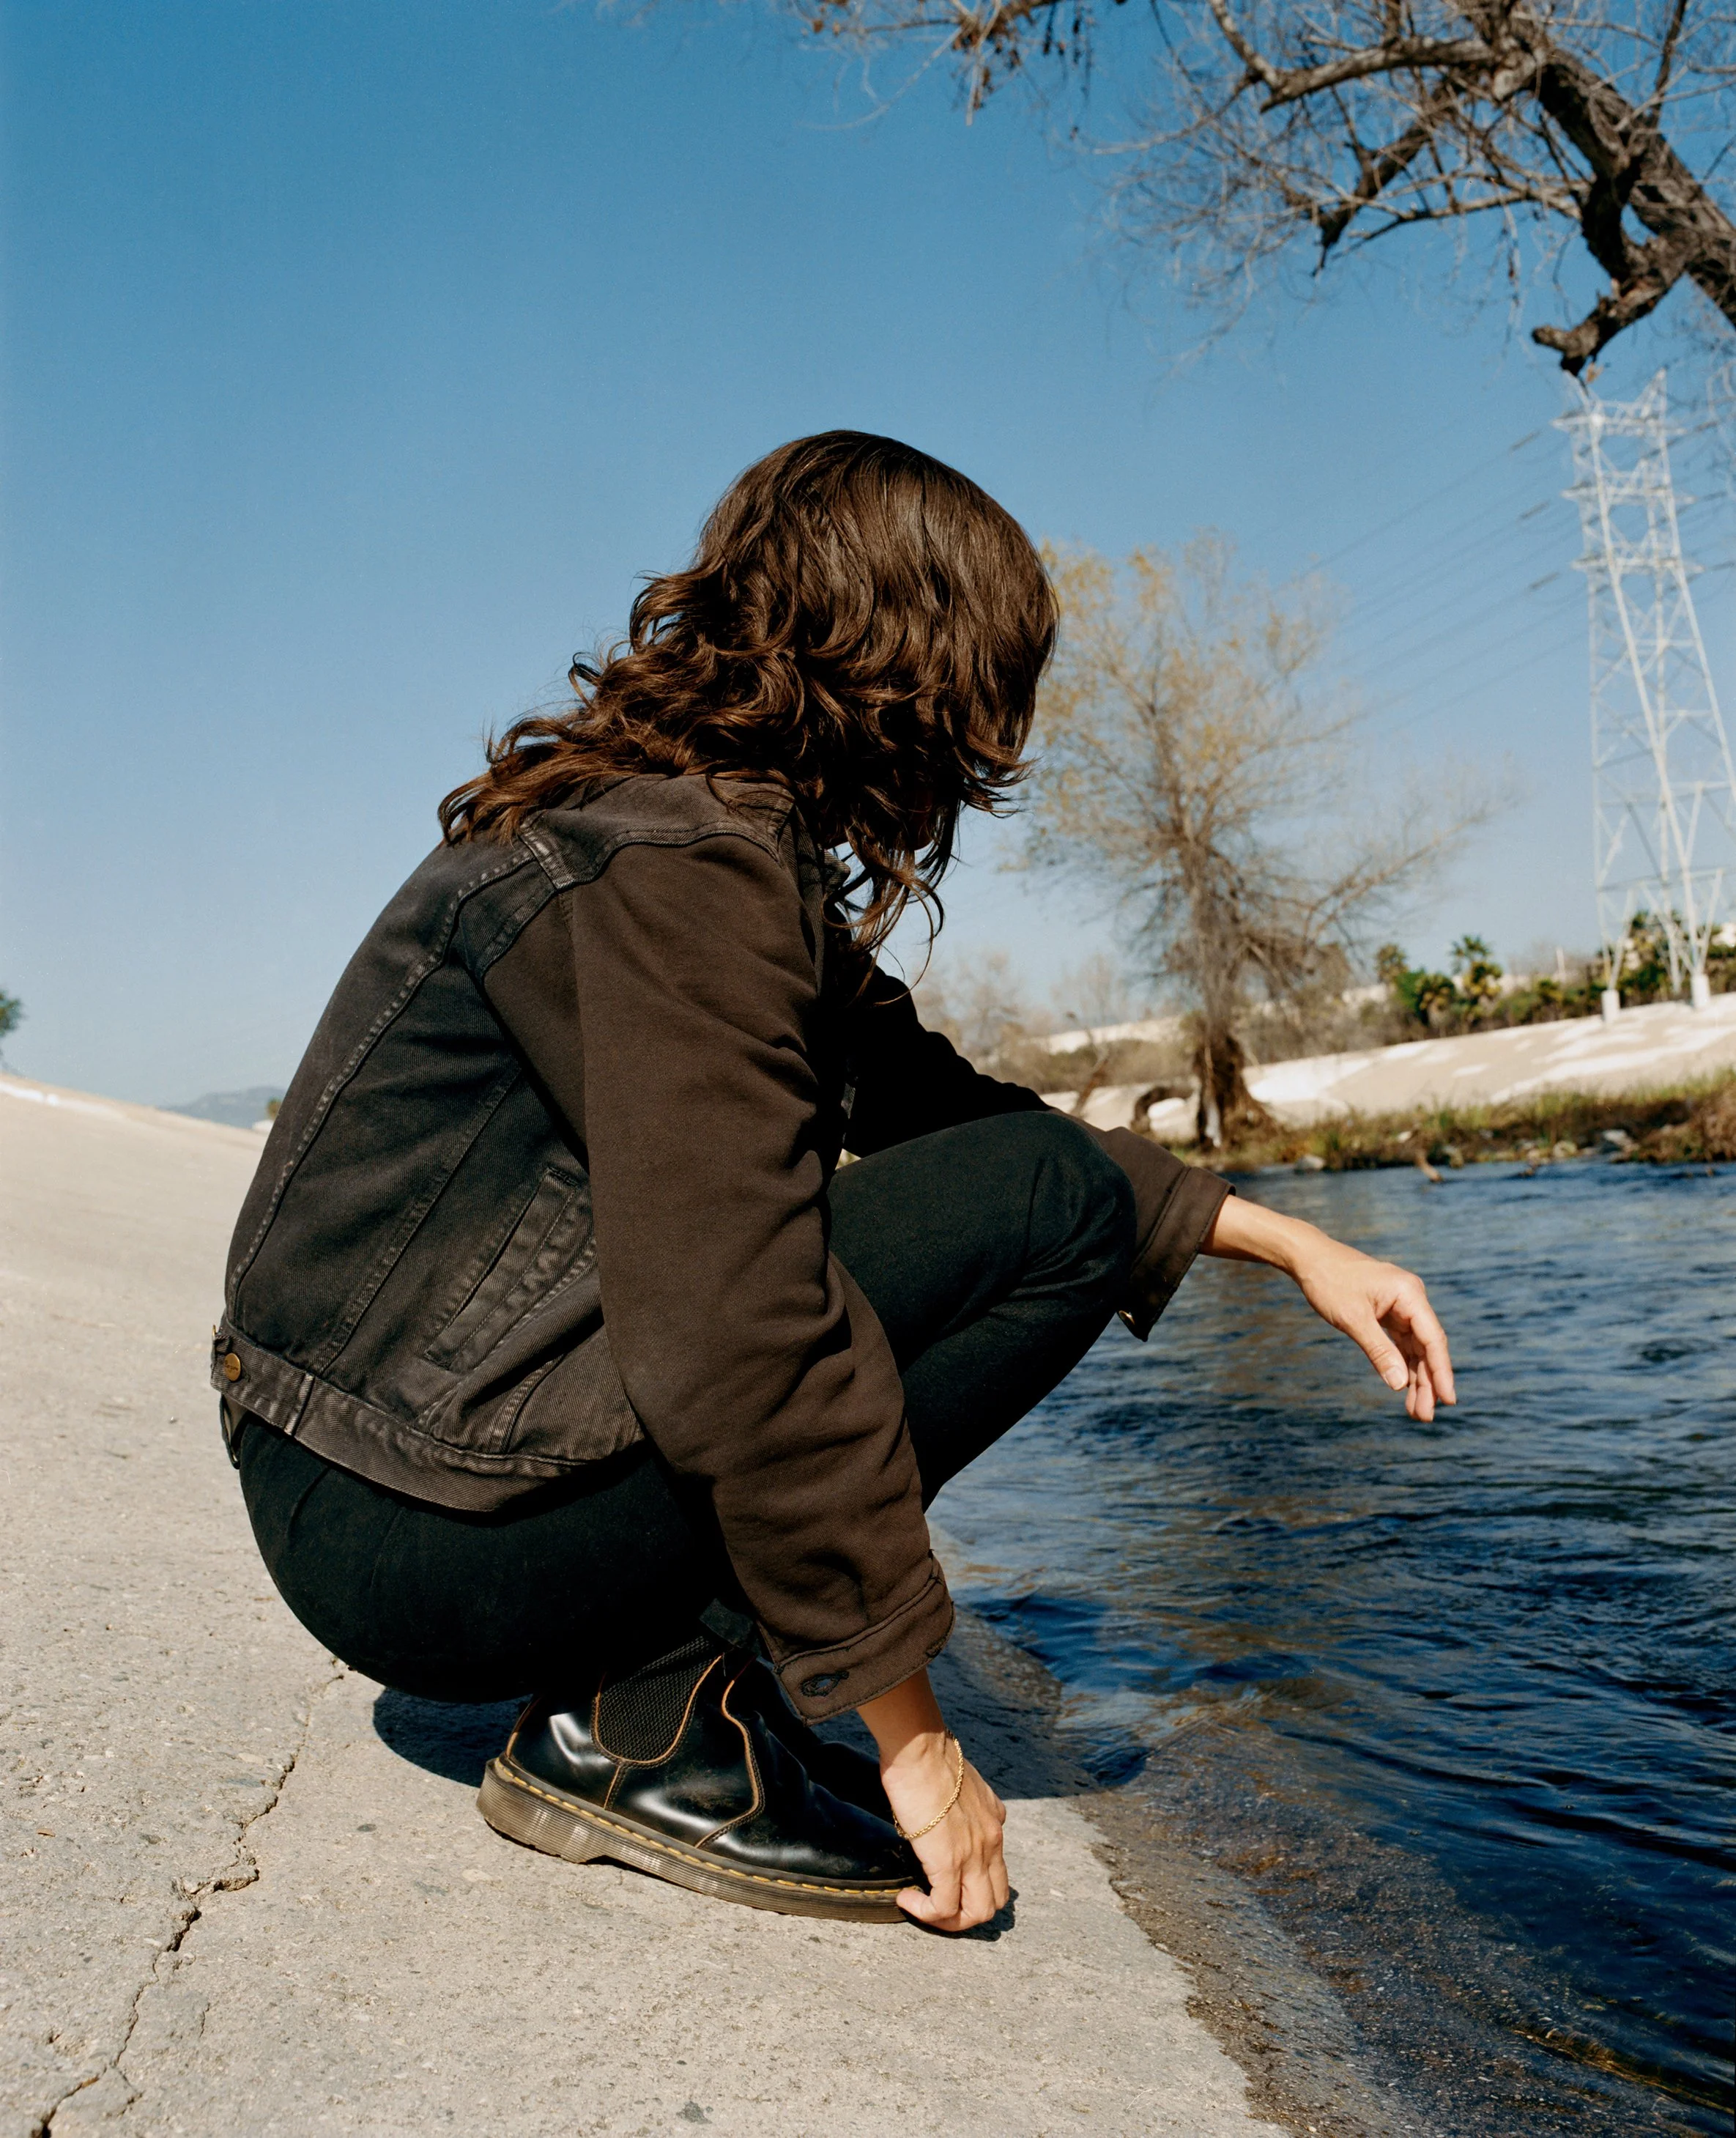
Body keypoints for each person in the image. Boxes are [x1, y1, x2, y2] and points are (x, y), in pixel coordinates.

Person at [215, 432, 1455, 1937]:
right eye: (998, 678)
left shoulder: (683, 833)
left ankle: (656, 1679)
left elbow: (945, 1112)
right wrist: (916, 1736)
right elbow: (745, 1328)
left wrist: (1289, 1241)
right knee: (1047, 1211)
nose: (1002, 732)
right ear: (910, 664)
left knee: (1047, 1186)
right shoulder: (681, 873)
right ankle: (651, 1720)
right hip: (404, 1524)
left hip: (378, 1472)